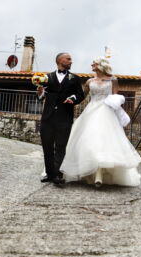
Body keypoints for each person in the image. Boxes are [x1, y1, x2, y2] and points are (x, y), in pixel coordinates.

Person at [60, 57, 141, 187]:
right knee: (88, 141)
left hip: (106, 112)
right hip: (90, 112)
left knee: (104, 142)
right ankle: (90, 172)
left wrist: (118, 108)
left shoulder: (113, 80)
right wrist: (72, 100)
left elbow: (116, 98)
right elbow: (82, 97)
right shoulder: (89, 81)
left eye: (95, 63)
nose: (92, 64)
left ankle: (99, 174)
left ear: (101, 65)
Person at [37, 53, 85, 185]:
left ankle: (57, 174)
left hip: (65, 118)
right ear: (59, 60)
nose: (71, 61)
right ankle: (49, 173)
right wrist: (40, 92)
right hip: (47, 117)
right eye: (68, 59)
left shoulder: (75, 78)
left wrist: (73, 99)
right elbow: (41, 96)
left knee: (60, 146)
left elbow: (81, 95)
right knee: (47, 146)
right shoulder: (47, 77)